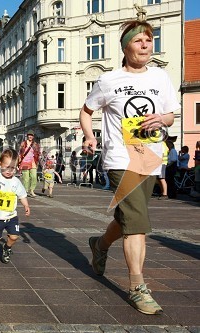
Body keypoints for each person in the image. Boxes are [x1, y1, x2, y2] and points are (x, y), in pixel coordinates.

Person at [80, 19, 178, 315]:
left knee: (129, 219)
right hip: (120, 158)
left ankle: (100, 245)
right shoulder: (108, 80)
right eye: (139, 40)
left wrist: (161, 119)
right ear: (125, 47)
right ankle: (137, 287)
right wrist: (88, 136)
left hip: (149, 156)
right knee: (136, 221)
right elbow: (86, 111)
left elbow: (171, 115)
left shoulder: (160, 77)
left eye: (149, 40)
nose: (146, 44)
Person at [19, 130, 40, 197]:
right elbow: (20, 153)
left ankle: (32, 190)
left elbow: (37, 153)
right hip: (24, 162)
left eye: (31, 135)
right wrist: (19, 163)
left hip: (32, 162)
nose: (30, 136)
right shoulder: (23, 143)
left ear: (33, 136)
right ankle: (25, 191)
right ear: (27, 136)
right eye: (29, 135)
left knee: (34, 177)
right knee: (26, 178)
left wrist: (37, 161)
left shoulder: (35, 144)